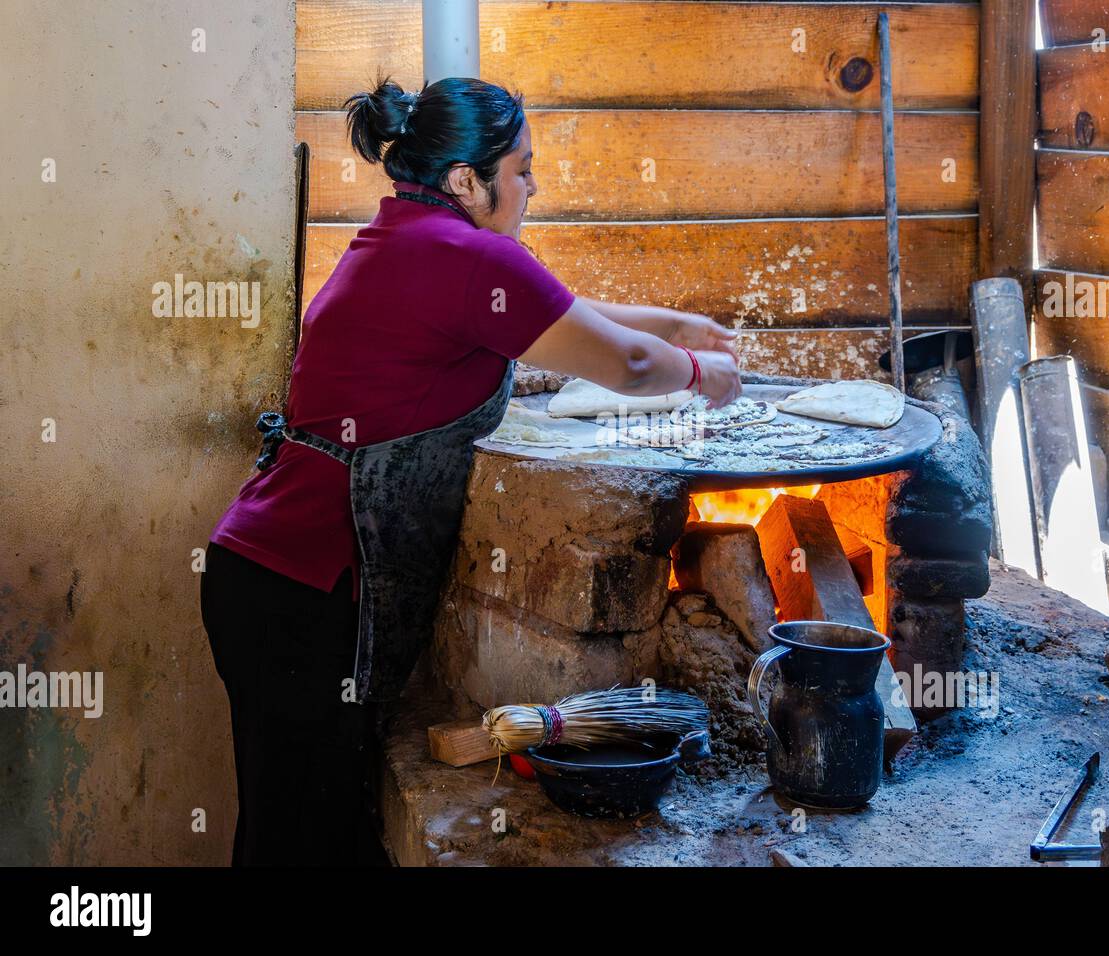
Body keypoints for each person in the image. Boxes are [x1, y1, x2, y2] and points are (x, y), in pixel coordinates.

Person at [199, 76, 742, 865]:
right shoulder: (463, 257)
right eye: (521, 168)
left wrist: (682, 325)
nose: (532, 184)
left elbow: (565, 311)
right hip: (305, 591)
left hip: (269, 576)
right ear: (465, 180)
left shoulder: (415, 236)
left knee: (306, 828)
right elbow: (621, 360)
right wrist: (699, 372)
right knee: (300, 840)